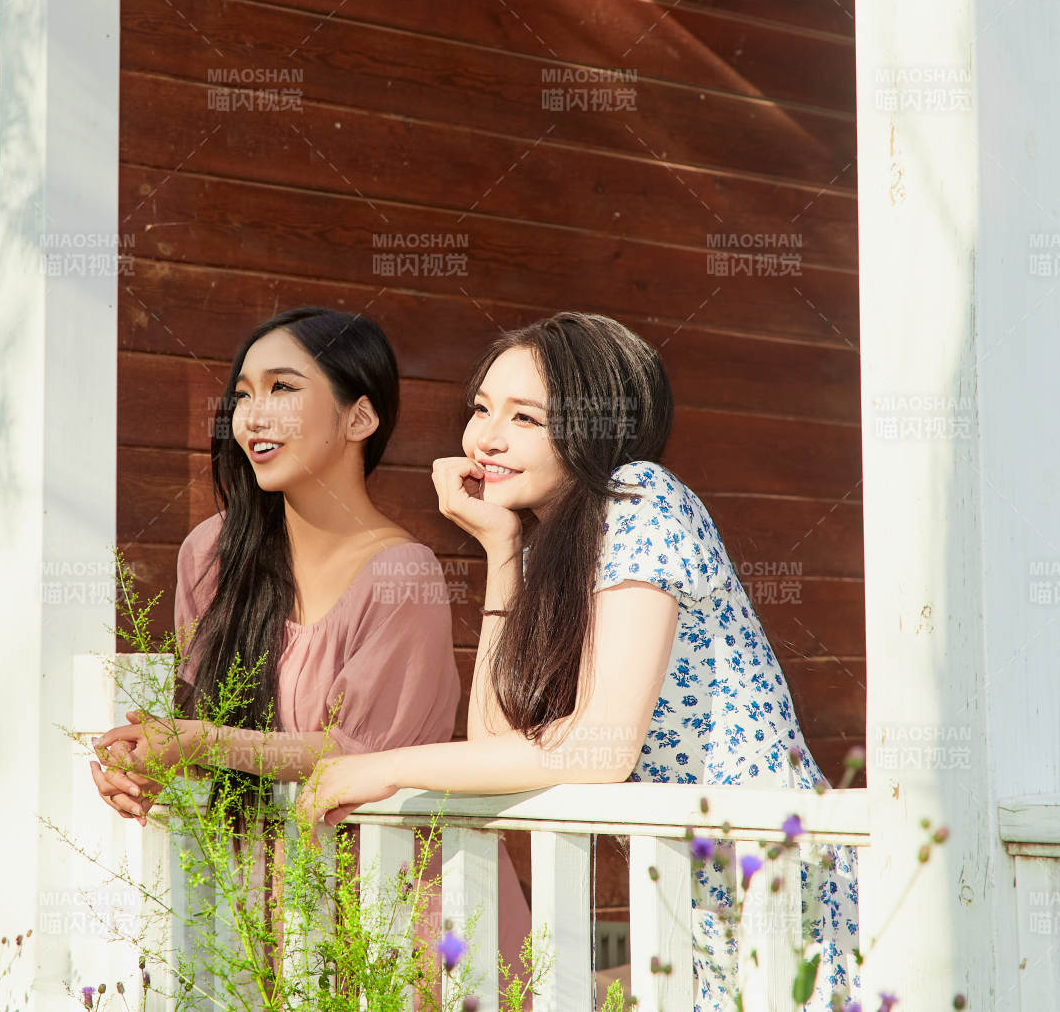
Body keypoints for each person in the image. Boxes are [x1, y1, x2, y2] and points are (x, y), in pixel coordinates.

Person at [295, 311, 861, 1009]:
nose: (486, 437)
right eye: (481, 408)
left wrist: (380, 765)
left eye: (525, 417)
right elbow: (496, 745)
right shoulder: (551, 548)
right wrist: (501, 551)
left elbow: (599, 747)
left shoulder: (642, 500)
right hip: (698, 917)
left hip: (781, 910)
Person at [87, 306, 534, 1003]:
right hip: (277, 915)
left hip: (408, 918)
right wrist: (143, 761)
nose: (253, 415)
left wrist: (202, 739)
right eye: (242, 395)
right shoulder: (210, 556)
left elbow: (361, 754)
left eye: (283, 389)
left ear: (360, 419)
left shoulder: (402, 574)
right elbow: (203, 720)